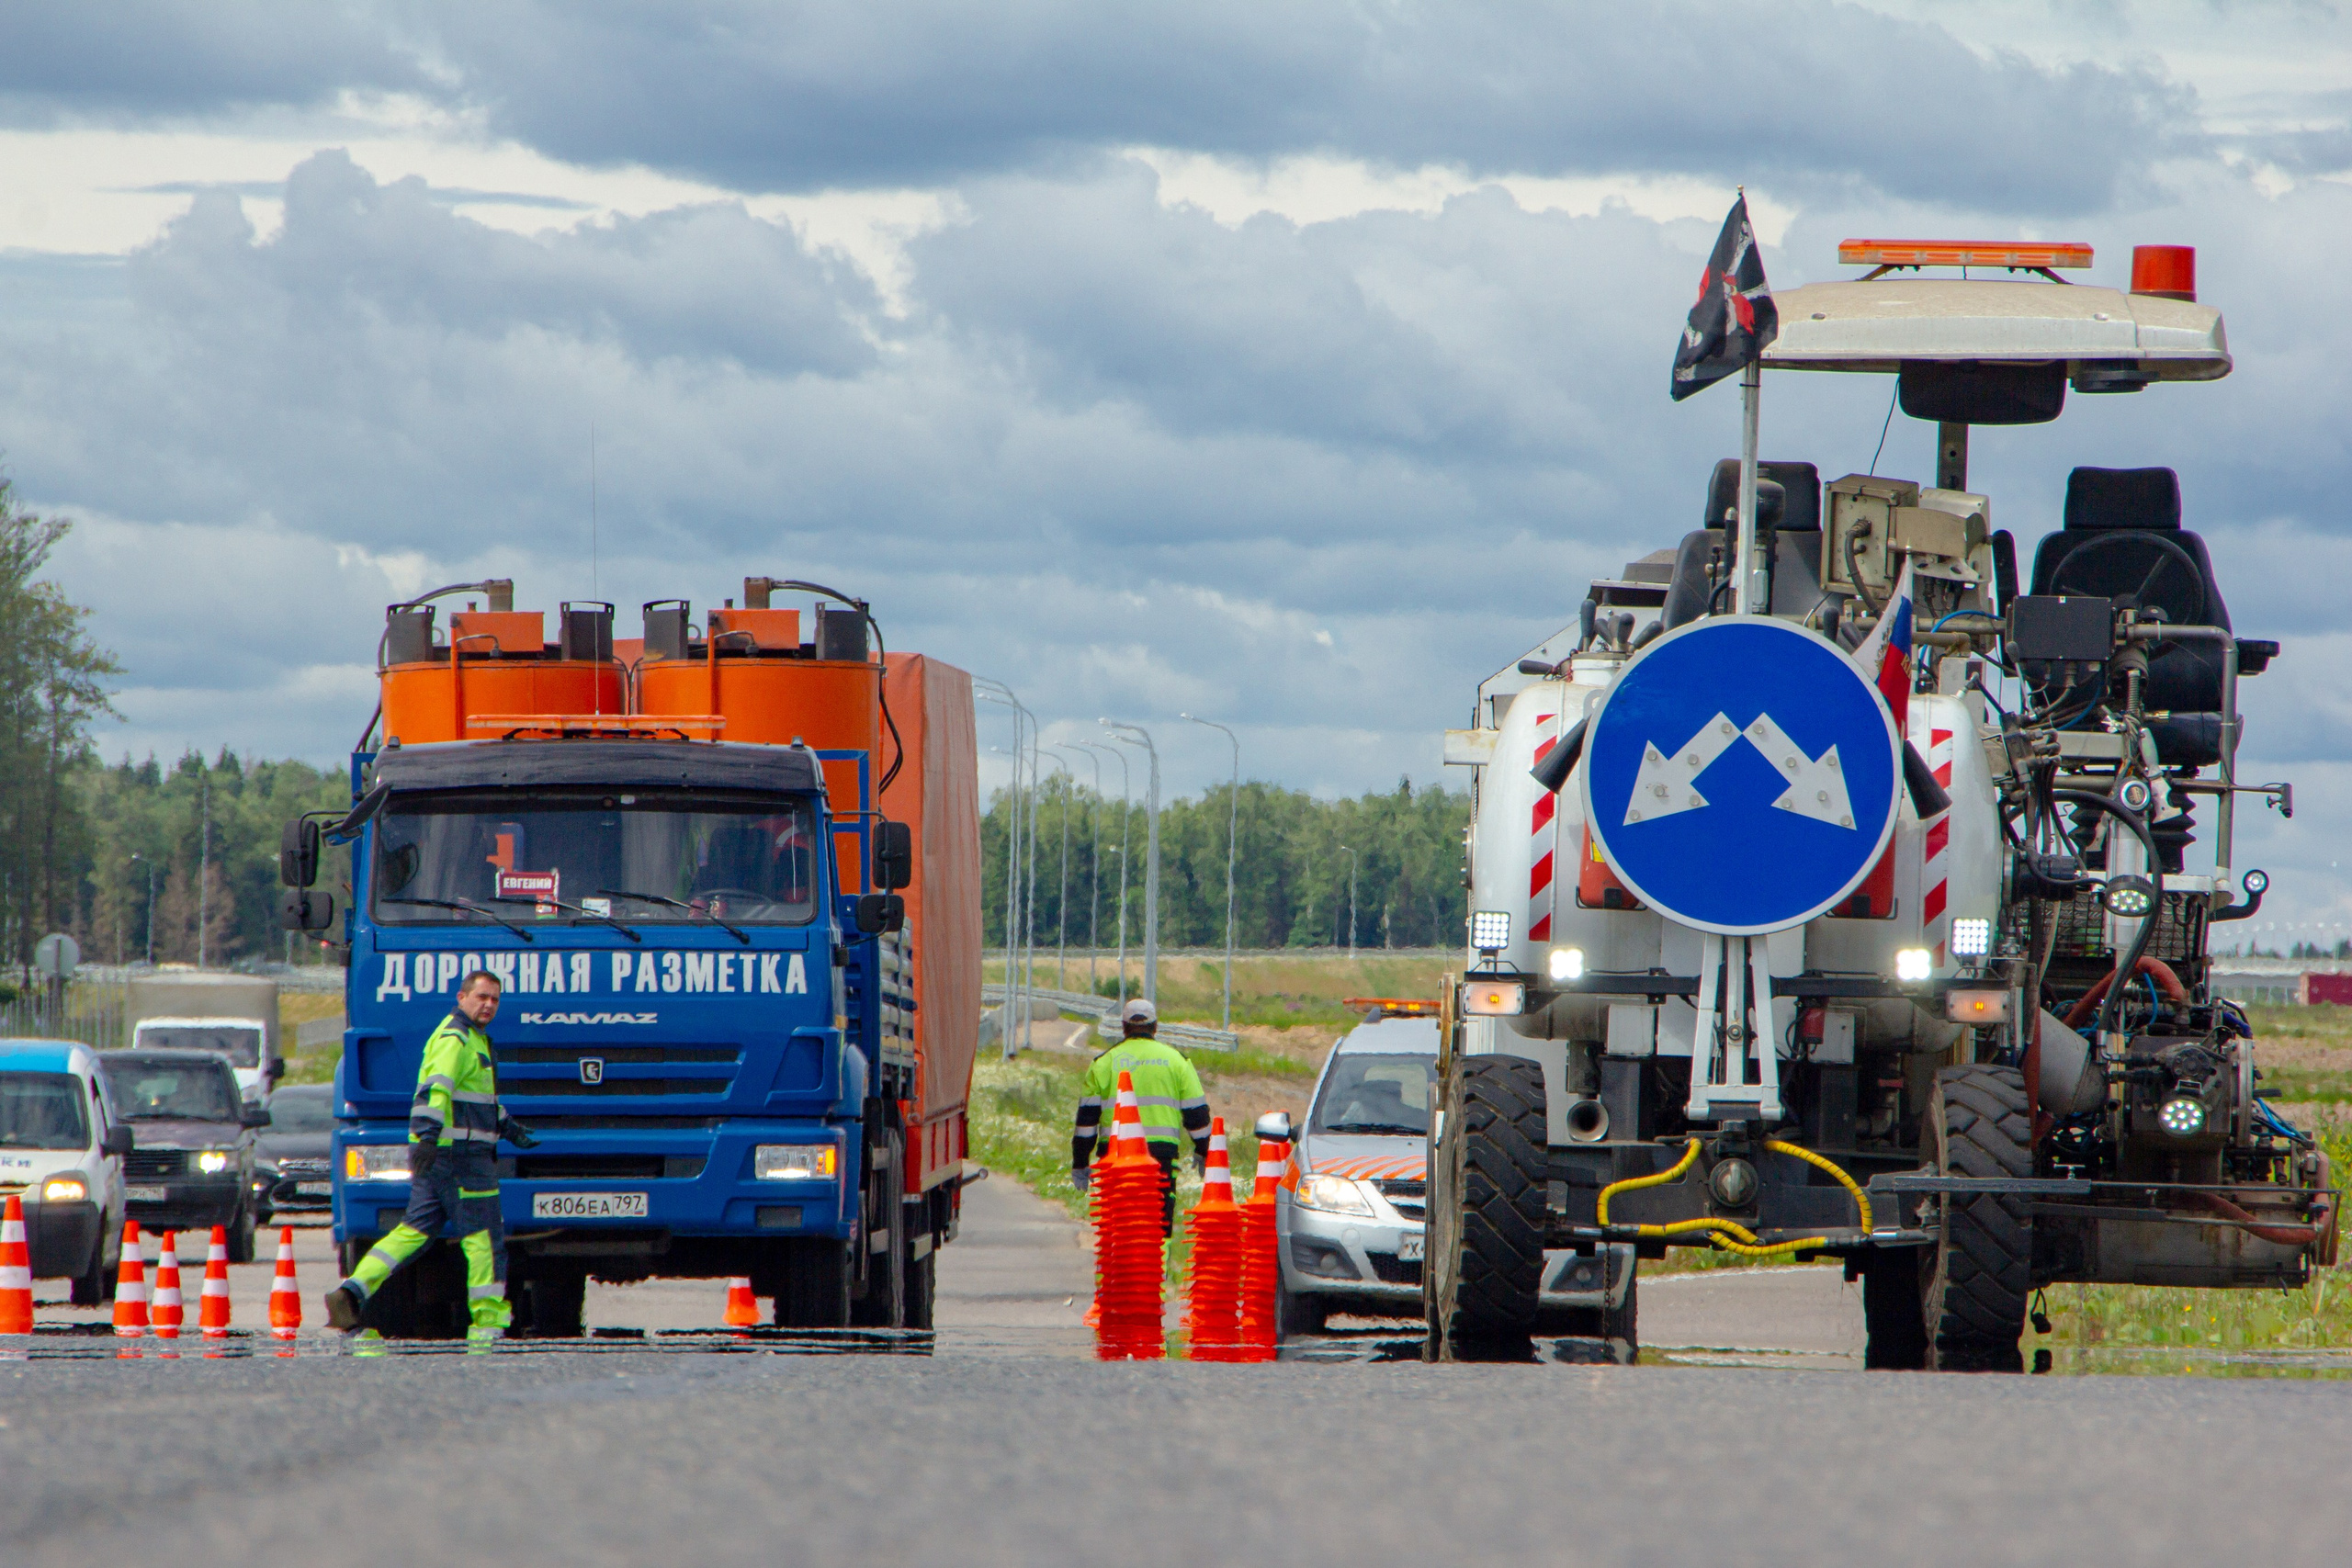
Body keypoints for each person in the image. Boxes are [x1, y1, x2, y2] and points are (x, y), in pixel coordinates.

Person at [323, 971, 537, 1338]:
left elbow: (475, 1100)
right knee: (484, 1238)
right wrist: (428, 1136)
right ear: (462, 997)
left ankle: (352, 1291)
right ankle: (489, 1322)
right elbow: (437, 1091)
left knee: (413, 1231)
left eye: (495, 999)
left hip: (443, 1155)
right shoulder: (457, 1039)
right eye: (481, 997)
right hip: (461, 1158)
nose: (488, 1005)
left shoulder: (472, 1039)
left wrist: (508, 1127)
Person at [1069, 998, 1211, 1235]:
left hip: (1115, 1159)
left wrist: (1081, 1162)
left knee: (1116, 1227)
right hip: (1160, 1157)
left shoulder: (1103, 1063)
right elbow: (1197, 1115)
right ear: (1155, 1027)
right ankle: (1159, 1270)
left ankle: (1117, 1271)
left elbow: (1086, 1123)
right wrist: (1204, 1148)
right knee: (1158, 1226)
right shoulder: (1177, 1061)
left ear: (1123, 1027)